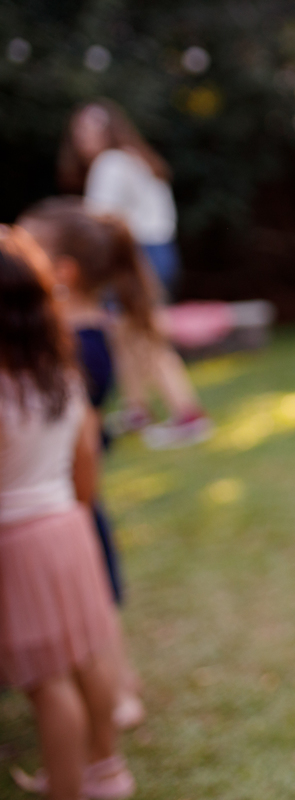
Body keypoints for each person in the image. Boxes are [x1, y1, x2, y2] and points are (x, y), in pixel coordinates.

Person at [0, 226, 135, 800]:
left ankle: (65, 789)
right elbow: (85, 462)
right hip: (68, 526)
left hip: (18, 538)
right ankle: (107, 769)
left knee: (46, 681)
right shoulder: (61, 372)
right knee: (88, 653)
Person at [19, 197, 155, 730]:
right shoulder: (83, 328)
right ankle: (118, 681)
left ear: (61, 271)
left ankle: (119, 690)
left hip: (70, 487)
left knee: (92, 590)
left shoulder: (74, 339)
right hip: (68, 483)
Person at [58, 99, 210, 448]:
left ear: (110, 129)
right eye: (78, 131)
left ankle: (188, 415)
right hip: (158, 250)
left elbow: (98, 222)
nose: (82, 138)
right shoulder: (139, 159)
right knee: (124, 334)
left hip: (137, 256)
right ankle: (136, 410)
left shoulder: (110, 163)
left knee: (145, 334)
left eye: (90, 129)